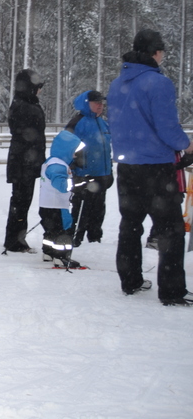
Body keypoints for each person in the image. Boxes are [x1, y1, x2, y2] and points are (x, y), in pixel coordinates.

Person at [107, 29, 193, 306]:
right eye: (162, 52)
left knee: (131, 224)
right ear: (155, 52)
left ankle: (130, 281)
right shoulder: (158, 83)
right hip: (155, 166)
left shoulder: (116, 84)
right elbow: (167, 127)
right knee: (171, 229)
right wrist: (186, 145)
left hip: (127, 165)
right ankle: (172, 291)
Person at [3, 69, 46, 254]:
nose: (40, 91)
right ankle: (15, 241)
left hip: (26, 162)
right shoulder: (24, 105)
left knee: (21, 203)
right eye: (37, 87)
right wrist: (32, 159)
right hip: (23, 163)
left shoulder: (25, 103)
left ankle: (16, 239)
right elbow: (27, 136)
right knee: (20, 203)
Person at [65, 90, 113, 246]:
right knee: (80, 211)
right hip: (84, 176)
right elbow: (65, 148)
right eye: (96, 103)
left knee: (98, 211)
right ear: (86, 104)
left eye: (102, 103)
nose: (100, 106)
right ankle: (75, 239)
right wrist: (74, 168)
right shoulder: (77, 122)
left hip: (102, 175)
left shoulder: (103, 122)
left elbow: (106, 149)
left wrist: (109, 171)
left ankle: (95, 239)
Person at [38, 130, 84, 269]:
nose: (75, 155)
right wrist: (77, 184)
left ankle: (48, 252)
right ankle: (61, 256)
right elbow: (61, 185)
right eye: (74, 151)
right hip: (57, 205)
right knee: (63, 230)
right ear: (66, 150)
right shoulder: (58, 166)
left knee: (50, 230)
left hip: (46, 205)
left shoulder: (51, 162)